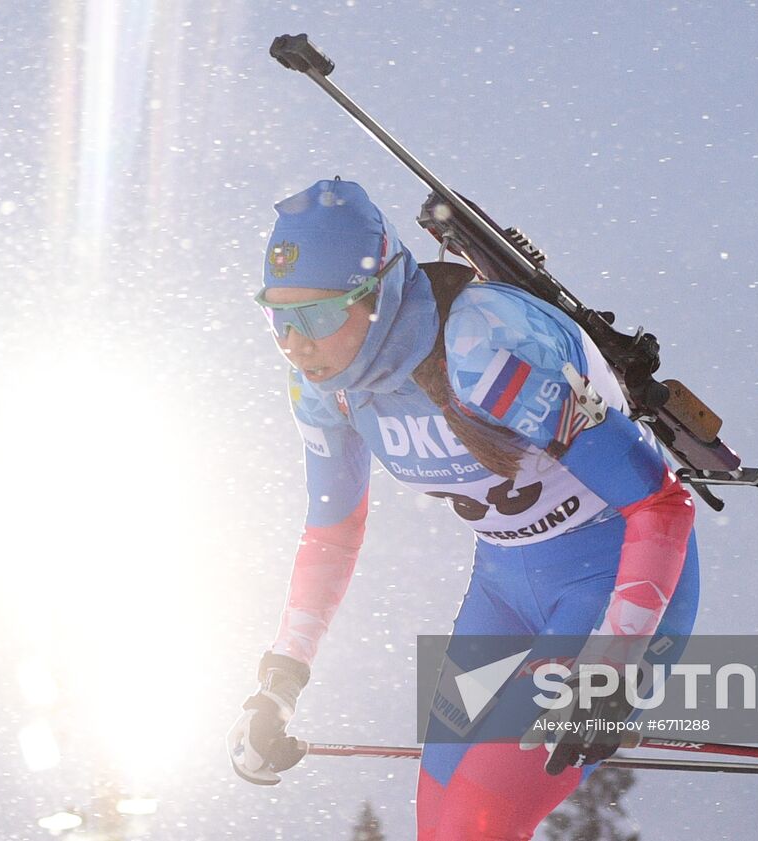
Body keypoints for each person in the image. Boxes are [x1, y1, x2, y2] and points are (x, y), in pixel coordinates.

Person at [227, 178, 700, 840]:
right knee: (439, 815)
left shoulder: (487, 349)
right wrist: (277, 684)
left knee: (477, 820)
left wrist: (613, 665)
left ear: (378, 295)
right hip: (503, 591)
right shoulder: (325, 389)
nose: (296, 345)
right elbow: (332, 537)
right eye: (278, 320)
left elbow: (663, 504)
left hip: (617, 578)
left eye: (316, 317)